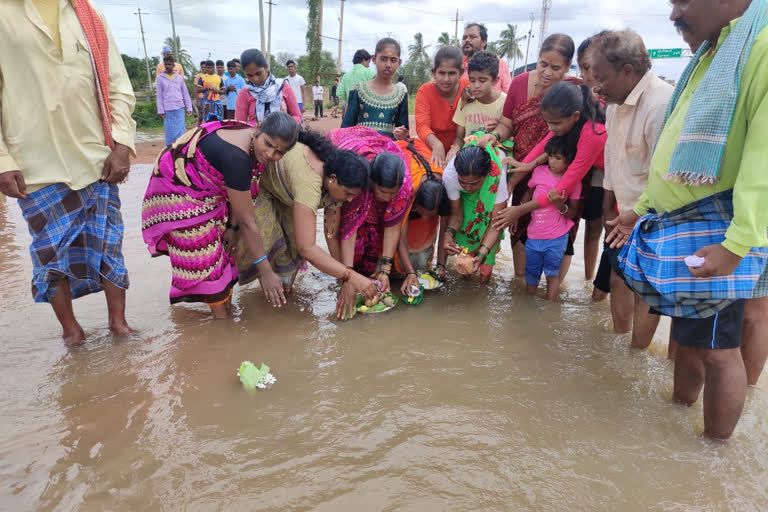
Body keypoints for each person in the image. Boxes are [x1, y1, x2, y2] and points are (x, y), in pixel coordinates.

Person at [606, 0, 768, 440]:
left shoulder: (760, 45)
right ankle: (678, 412)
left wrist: (735, 246)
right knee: (695, 338)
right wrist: (642, 208)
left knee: (719, 351)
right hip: (685, 224)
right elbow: (677, 147)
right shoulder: (717, 50)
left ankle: (713, 454)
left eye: (682, 1)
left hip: (720, 230)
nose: (674, 14)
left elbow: (763, 156)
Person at [0, 0, 136, 346]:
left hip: (96, 157)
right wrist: (3, 160)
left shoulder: (87, 13)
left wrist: (121, 142)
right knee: (50, 253)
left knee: (110, 246)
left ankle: (119, 325)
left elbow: (118, 85)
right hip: (34, 164)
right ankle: (72, 332)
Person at [142, 113, 299, 319]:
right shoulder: (237, 158)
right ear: (258, 130)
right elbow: (248, 221)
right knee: (205, 259)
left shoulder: (250, 142)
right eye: (268, 144)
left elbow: (239, 196)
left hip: (210, 193)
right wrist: (266, 271)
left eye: (279, 152)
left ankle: (225, 313)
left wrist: (232, 228)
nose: (270, 154)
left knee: (225, 254)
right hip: (179, 193)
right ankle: (223, 324)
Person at [234, 127, 377, 321]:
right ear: (333, 180)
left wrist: (346, 278)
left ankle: (280, 312)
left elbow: (331, 233)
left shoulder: (332, 180)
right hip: (263, 189)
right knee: (257, 250)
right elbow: (307, 247)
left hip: (288, 197)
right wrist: (350, 277)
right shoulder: (309, 183)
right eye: (349, 194)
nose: (350, 200)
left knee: (290, 257)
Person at [589, 29, 672, 346]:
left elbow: (663, 176)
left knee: (647, 289)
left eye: (602, 78)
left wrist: (637, 215)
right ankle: (620, 347)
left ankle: (638, 352)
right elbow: (612, 156)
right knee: (617, 279)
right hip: (620, 214)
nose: (597, 86)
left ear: (627, 71)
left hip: (653, 217)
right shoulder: (613, 103)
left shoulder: (660, 106)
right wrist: (608, 205)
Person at [478, 34, 576, 278]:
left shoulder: (572, 91)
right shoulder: (520, 84)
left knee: (561, 226)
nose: (547, 73)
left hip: (559, 171)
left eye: (556, 68)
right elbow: (507, 124)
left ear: (567, 66)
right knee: (519, 225)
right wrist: (496, 137)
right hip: (521, 170)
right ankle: (522, 285)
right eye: (543, 64)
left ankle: (554, 292)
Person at [492, 82, 607, 285]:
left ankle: (594, 285)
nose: (550, 128)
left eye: (555, 124)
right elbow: (543, 146)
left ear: (575, 116)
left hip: (618, 180)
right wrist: (522, 168)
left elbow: (563, 187)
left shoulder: (592, 134)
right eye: (548, 123)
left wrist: (519, 210)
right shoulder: (567, 123)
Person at [326, 127, 414, 295]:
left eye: (392, 193)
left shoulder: (404, 184)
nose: (388, 198)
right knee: (351, 224)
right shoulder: (359, 180)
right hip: (347, 151)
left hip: (380, 156)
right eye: (382, 192)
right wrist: (348, 276)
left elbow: (393, 226)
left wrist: (385, 271)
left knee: (374, 231)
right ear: (372, 182)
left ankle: (367, 275)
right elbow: (349, 229)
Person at [523, 137, 582, 300]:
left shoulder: (574, 182)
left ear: (569, 160)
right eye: (550, 156)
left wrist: (559, 204)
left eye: (558, 158)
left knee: (552, 274)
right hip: (534, 234)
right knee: (531, 273)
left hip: (556, 237)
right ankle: (528, 307)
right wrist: (517, 214)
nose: (552, 161)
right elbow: (528, 193)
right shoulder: (538, 171)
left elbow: (573, 213)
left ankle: (550, 306)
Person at [443, 143, 508, 283]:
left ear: (485, 176)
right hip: (466, 200)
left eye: (474, 183)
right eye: (463, 182)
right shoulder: (450, 176)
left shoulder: (497, 179)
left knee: (485, 270)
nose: (468, 187)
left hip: (490, 196)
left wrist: (482, 254)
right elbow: (456, 215)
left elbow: (495, 223)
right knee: (464, 247)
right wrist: (449, 234)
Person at [393, 139, 451, 286]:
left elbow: (445, 230)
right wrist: (410, 272)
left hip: (424, 165)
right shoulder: (406, 190)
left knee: (422, 258)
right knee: (393, 264)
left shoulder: (445, 188)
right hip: (405, 161)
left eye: (431, 214)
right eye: (423, 212)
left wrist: (441, 266)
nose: (425, 217)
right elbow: (400, 237)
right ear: (415, 203)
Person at [342, 38, 409, 141]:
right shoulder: (359, 90)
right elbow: (346, 127)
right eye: (383, 59)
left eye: (393, 60)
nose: (388, 65)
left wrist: (403, 134)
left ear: (399, 62)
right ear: (374, 59)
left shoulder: (400, 94)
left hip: (388, 149)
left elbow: (403, 129)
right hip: (361, 148)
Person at [415, 46, 469, 168]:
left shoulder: (468, 88)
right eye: (441, 73)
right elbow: (422, 126)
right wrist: (436, 144)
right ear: (434, 72)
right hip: (431, 148)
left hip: (463, 146)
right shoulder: (425, 91)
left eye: (451, 73)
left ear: (460, 72)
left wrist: (457, 146)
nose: (446, 79)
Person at [448, 51, 507, 162]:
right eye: (472, 80)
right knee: (448, 176)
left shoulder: (505, 102)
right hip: (468, 153)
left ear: (495, 81)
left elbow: (510, 133)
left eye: (482, 80)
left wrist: (498, 128)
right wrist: (454, 148)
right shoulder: (466, 100)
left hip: (493, 154)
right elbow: (459, 138)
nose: (476, 86)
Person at [234, 49, 302, 125]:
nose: (255, 79)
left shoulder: (282, 87)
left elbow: (297, 116)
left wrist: (284, 127)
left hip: (283, 136)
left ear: (266, 67)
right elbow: (239, 125)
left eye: (258, 73)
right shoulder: (244, 93)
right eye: (249, 75)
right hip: (255, 136)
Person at [461, 23, 511, 93]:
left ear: (484, 42)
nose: (467, 40)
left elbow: (507, 93)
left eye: (472, 37)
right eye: (464, 38)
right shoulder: (458, 65)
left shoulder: (499, 64)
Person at [156, 55, 193, 145]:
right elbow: (159, 95)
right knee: (170, 133)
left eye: (169, 64)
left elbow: (185, 93)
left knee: (181, 131)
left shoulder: (179, 78)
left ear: (173, 65)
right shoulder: (160, 78)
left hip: (179, 108)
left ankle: (180, 150)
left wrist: (189, 108)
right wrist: (161, 110)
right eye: (166, 64)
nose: (167, 66)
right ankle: (170, 152)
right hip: (167, 109)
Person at [194, 60, 206, 125]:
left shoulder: (210, 76)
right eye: (202, 67)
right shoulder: (198, 76)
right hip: (201, 98)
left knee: (208, 116)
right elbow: (195, 88)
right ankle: (197, 128)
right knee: (201, 116)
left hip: (208, 99)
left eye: (205, 67)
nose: (204, 68)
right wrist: (197, 100)